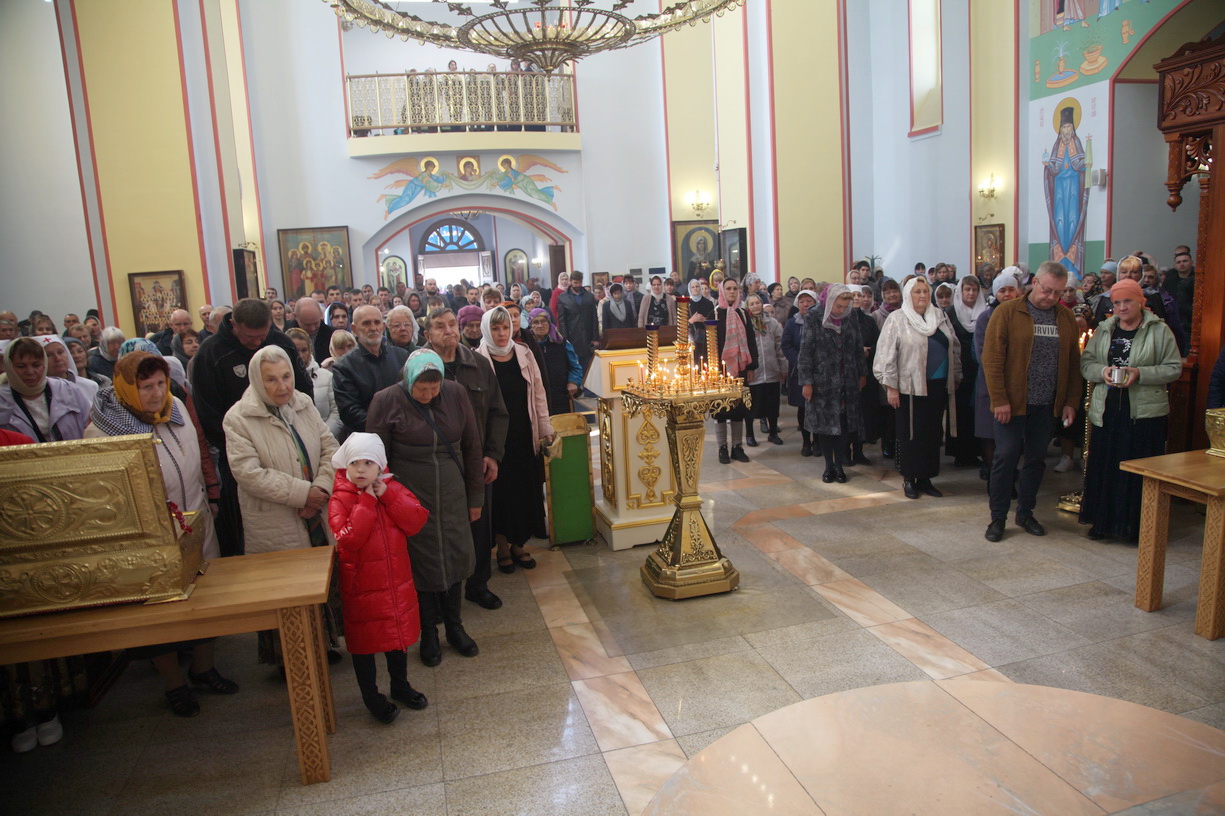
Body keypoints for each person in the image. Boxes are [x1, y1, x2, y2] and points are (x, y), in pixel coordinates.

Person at [85, 351, 235, 716]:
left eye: (161, 384)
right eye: (145, 386)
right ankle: (173, 683)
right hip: (149, 535)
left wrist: (211, 493)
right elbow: (103, 495)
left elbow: (200, 451)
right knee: (159, 612)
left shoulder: (177, 409)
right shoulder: (104, 429)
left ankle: (203, 666)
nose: (156, 394)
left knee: (207, 598)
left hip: (195, 517)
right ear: (126, 387)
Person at [222, 345, 339, 665]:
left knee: (318, 582)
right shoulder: (238, 418)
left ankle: (322, 646)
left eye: (286, 376)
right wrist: (303, 495)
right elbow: (249, 473)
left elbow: (330, 448)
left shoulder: (303, 404)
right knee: (285, 591)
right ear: (257, 381)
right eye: (271, 379)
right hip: (276, 519)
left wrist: (321, 488)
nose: (282, 386)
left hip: (315, 510)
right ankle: (290, 660)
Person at [367, 350, 484, 666]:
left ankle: (455, 627)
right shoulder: (385, 401)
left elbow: (472, 446)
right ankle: (429, 632)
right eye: (422, 389)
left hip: (452, 492)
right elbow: (375, 459)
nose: (429, 395)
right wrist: (387, 502)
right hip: (410, 497)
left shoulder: (456, 393)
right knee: (421, 562)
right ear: (408, 381)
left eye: (435, 389)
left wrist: (475, 497)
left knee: (456, 556)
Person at [192, 299, 311, 557]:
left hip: (293, 448)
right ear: (234, 324)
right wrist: (245, 440)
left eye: (262, 336)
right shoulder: (211, 353)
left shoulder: (280, 343)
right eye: (250, 337)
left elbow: (303, 392)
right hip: (239, 447)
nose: (257, 342)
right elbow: (207, 412)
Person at [327, 433, 429, 724]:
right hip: (361, 589)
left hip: (395, 584)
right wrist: (367, 503)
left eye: (368, 463)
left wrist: (387, 495)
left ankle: (400, 685)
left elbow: (416, 520)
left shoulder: (392, 488)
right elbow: (349, 540)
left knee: (396, 638)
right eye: (354, 463)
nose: (360, 469)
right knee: (364, 645)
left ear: (381, 465)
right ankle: (371, 697)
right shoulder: (340, 498)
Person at [981, 261, 1083, 542]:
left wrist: (1070, 401)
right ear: (1035, 282)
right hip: (1012, 404)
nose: (1051, 297)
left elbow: (1073, 364)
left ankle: (1025, 513)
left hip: (1047, 404)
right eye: (1047, 290)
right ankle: (998, 517)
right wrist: (1000, 400)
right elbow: (992, 360)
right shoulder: (1007, 312)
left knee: (1036, 460)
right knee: (1005, 458)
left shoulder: (1065, 317)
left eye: (1057, 293)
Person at [1078, 279, 1181, 542]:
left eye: (1128, 301)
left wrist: (1140, 374)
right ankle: (1103, 523)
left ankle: (1135, 528)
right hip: (1108, 408)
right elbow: (1087, 363)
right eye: (1117, 303)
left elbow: (1173, 368)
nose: (1122, 307)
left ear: (1140, 302)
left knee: (1137, 471)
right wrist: (1103, 371)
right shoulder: (1104, 330)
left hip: (1143, 413)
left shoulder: (1159, 330)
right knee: (1107, 467)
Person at [420, 307, 509, 612]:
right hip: (436, 465)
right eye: (439, 326)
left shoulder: (478, 364)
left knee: (479, 526)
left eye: (451, 325)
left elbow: (498, 413)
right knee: (440, 529)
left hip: (476, 463)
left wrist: (493, 455)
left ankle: (478, 584)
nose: (448, 331)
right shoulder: (417, 366)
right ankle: (442, 591)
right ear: (427, 334)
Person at [476, 307, 553, 571]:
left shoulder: (524, 353)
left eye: (505, 327)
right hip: (496, 437)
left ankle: (519, 544)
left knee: (524, 490)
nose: (501, 333)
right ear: (487, 330)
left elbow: (538, 392)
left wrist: (545, 426)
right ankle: (502, 546)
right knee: (501, 493)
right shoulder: (478, 358)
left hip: (523, 432)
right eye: (495, 328)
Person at [873, 277, 961, 500]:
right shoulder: (897, 319)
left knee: (932, 434)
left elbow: (954, 345)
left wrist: (956, 375)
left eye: (925, 291)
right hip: (909, 388)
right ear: (908, 294)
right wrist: (891, 387)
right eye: (917, 291)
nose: (922, 295)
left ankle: (926, 478)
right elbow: (885, 355)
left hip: (937, 385)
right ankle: (909, 478)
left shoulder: (939, 316)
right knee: (911, 434)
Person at [801, 284, 866, 482]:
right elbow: (806, 351)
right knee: (826, 425)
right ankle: (829, 466)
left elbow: (858, 346)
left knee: (843, 424)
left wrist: (862, 373)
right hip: (823, 381)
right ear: (829, 302)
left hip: (847, 379)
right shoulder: (813, 317)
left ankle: (840, 466)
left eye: (845, 307)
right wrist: (807, 382)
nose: (841, 310)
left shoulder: (851, 316)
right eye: (838, 306)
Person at [331, 306, 410, 437]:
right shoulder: (344, 366)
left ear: (383, 326)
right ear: (354, 329)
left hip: (404, 433)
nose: (373, 328)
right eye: (366, 323)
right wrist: (386, 427)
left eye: (377, 322)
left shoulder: (402, 356)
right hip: (366, 437)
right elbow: (349, 412)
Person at [974, 269, 1022, 480]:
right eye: (1003, 290)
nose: (1007, 294)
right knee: (990, 433)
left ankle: (1009, 471)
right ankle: (994, 473)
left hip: (1017, 384)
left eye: (1011, 289)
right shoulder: (985, 317)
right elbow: (983, 353)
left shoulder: (1023, 316)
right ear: (996, 293)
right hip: (990, 382)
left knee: (1013, 434)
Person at [0, 338, 92, 442]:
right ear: (9, 367)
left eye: (36, 365)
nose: (30, 372)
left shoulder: (68, 390)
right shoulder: (2, 399)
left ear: (44, 364)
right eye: (21, 366)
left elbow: (90, 428)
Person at [712, 278, 758, 464]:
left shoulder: (743, 313)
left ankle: (737, 447)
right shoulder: (715, 313)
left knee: (739, 408)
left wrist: (751, 366)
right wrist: (712, 370)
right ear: (722, 291)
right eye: (728, 288)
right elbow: (710, 343)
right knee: (720, 410)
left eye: (735, 288)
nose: (732, 291)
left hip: (740, 368)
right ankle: (722, 447)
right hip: (720, 370)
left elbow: (751, 340)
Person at [946, 275, 986, 467]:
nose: (971, 293)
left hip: (979, 369)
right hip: (959, 369)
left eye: (974, 290)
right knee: (960, 411)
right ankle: (960, 453)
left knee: (977, 411)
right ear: (960, 291)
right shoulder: (950, 313)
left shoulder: (984, 313)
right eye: (967, 289)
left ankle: (976, 451)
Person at [744, 294, 786, 446]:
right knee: (751, 406)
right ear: (747, 307)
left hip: (771, 370)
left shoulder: (772, 323)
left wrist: (783, 368)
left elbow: (779, 347)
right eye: (752, 304)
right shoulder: (745, 324)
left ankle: (773, 432)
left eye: (758, 303)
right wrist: (747, 368)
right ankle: (750, 434)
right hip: (754, 372)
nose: (755, 306)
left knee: (772, 405)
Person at [286, 327, 342, 437]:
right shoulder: (281, 381)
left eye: (304, 350)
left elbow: (337, 413)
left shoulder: (327, 377)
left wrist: (321, 437)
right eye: (296, 351)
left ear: (310, 350)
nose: (301, 356)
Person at [783, 289, 819, 456]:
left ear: (815, 303)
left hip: (818, 370)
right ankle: (806, 442)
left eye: (809, 301)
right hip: (798, 371)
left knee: (817, 407)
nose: (805, 304)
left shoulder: (821, 321)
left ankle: (818, 441)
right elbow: (786, 345)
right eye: (802, 301)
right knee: (803, 407)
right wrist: (800, 360)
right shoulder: (792, 323)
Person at [850, 285, 882, 464]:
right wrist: (856, 350)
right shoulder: (839, 320)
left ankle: (859, 450)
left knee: (863, 413)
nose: (856, 298)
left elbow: (880, 343)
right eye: (853, 295)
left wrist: (869, 351)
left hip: (866, 372)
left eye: (859, 295)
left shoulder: (869, 321)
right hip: (846, 373)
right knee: (847, 413)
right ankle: (843, 451)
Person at [528, 308, 582, 415]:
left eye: (543, 321)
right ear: (531, 325)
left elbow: (575, 366)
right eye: (535, 322)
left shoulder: (561, 342)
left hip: (560, 393)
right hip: (535, 394)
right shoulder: (526, 345)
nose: (540, 325)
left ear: (549, 322)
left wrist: (573, 382)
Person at [555, 271, 598, 375]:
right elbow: (562, 320)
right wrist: (565, 339)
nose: (578, 285)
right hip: (572, 336)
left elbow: (594, 318)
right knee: (574, 365)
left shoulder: (589, 296)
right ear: (570, 281)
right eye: (575, 283)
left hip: (588, 336)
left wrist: (595, 338)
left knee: (589, 368)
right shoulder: (563, 297)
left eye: (579, 282)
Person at [294, 298, 335, 364]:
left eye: (316, 323)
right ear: (296, 317)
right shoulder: (286, 337)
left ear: (321, 315)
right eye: (307, 325)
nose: (312, 328)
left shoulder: (332, 335)